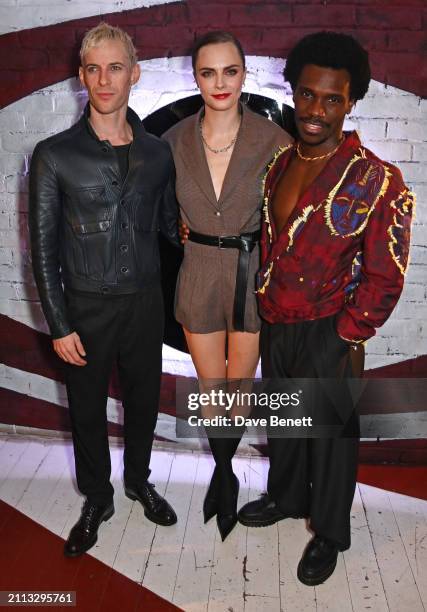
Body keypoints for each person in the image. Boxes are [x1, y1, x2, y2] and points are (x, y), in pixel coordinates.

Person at [237, 31, 414, 585]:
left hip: (331, 328)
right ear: (293, 91)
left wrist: (346, 332)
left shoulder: (377, 178)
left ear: (351, 101)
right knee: (286, 422)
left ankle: (331, 533)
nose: (316, 110)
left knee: (332, 437)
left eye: (331, 99)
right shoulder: (278, 165)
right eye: (308, 95)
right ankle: (287, 498)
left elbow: (387, 274)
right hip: (278, 319)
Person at [29, 22, 179, 557]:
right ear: (81, 77)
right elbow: (41, 249)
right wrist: (59, 323)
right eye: (93, 69)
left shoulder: (160, 154)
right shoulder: (54, 154)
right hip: (86, 308)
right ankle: (98, 496)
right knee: (87, 410)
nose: (104, 79)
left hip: (146, 304)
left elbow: (168, 230)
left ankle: (138, 481)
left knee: (143, 404)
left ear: (134, 74)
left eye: (115, 67)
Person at [163, 31, 292, 541]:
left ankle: (223, 473)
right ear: (194, 77)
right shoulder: (171, 142)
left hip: (250, 271)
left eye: (230, 71)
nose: (220, 83)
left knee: (238, 386)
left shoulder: (274, 140)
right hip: (197, 270)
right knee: (210, 387)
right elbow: (154, 208)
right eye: (208, 72)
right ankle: (223, 471)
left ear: (244, 74)